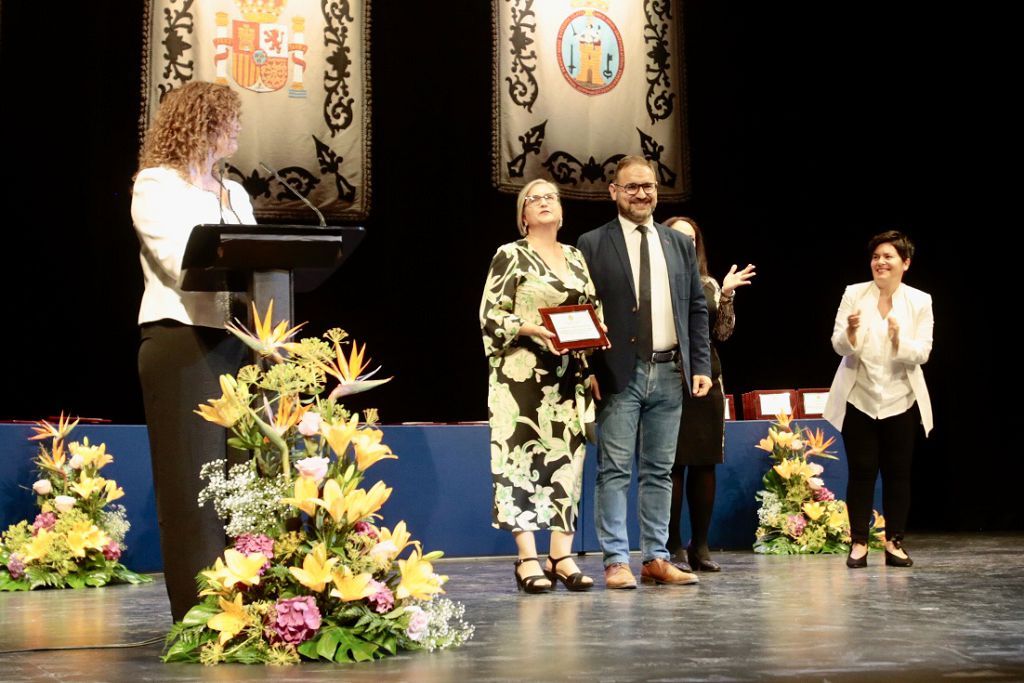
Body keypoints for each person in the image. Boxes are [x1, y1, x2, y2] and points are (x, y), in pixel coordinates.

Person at [133, 81, 255, 620]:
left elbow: (259, 262)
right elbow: (176, 258)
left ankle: (249, 604)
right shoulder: (156, 184)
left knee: (242, 479)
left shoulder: (237, 192)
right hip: (181, 341)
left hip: (239, 341)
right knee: (193, 483)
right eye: (228, 118)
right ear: (200, 123)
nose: (237, 129)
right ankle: (201, 614)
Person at [577, 156, 712, 589]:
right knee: (614, 469)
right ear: (614, 192)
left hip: (670, 370)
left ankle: (655, 557)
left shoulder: (677, 243)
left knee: (659, 469)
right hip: (620, 373)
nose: (642, 194)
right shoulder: (592, 243)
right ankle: (616, 560)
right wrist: (588, 369)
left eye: (648, 186)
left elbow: (695, 307)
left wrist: (701, 365)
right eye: (632, 187)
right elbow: (581, 312)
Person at [480, 178, 602, 593]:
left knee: (567, 464)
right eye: (535, 199)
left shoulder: (576, 257)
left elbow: (591, 308)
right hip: (521, 377)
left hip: (569, 378)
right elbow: (491, 316)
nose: (545, 203)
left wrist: (597, 334)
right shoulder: (510, 255)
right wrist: (532, 327)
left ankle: (561, 555)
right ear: (523, 215)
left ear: (562, 211)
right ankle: (527, 558)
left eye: (551, 197)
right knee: (520, 464)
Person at [823, 230, 933, 569]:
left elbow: (923, 353)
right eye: (876, 257)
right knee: (862, 472)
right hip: (860, 398)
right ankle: (858, 542)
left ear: (905, 263)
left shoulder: (919, 301)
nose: (880, 262)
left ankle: (894, 541)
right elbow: (838, 344)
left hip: (901, 400)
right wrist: (851, 332)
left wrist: (901, 340)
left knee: (898, 474)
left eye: (888, 257)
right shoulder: (854, 294)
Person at [664, 216, 755, 572]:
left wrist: (727, 295)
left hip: (706, 381)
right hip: (667, 377)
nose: (684, 242)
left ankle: (699, 546)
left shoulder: (708, 284)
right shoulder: (654, 282)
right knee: (671, 466)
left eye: (691, 238)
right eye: (676, 236)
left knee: (703, 464)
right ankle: (671, 546)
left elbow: (723, 333)